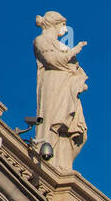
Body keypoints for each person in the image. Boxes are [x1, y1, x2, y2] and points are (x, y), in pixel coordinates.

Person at [33, 12, 88, 174]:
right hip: (54, 84)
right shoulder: (41, 40)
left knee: (73, 128)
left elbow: (74, 69)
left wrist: (79, 82)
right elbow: (52, 61)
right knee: (52, 122)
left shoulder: (60, 45)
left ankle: (62, 164)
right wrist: (73, 51)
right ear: (55, 25)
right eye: (63, 25)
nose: (65, 29)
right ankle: (48, 160)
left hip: (68, 87)